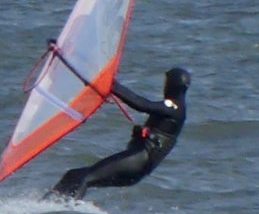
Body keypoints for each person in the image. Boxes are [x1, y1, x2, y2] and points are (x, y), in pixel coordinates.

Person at [50, 66, 191, 199]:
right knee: (73, 175)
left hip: (138, 162)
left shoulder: (174, 106)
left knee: (85, 179)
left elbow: (141, 104)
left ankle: (67, 209)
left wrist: (112, 84)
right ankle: (47, 203)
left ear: (172, 85)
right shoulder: (175, 108)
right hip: (136, 161)